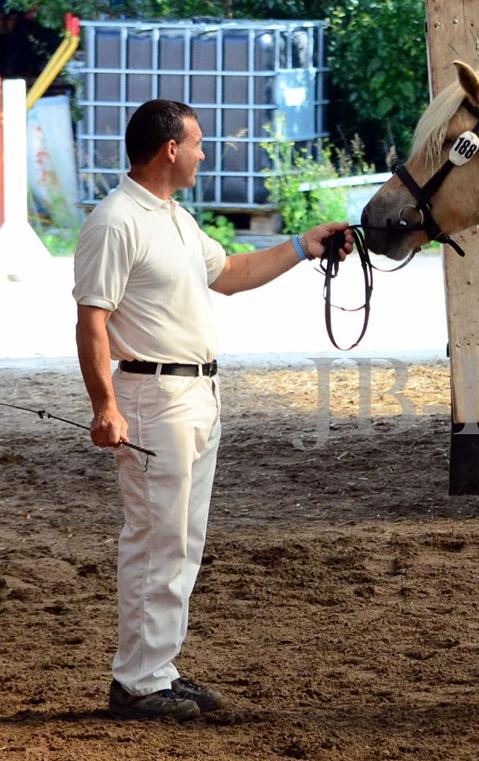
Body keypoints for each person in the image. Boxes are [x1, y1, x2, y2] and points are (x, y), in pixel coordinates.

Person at [73, 99, 353, 720]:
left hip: (196, 395)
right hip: (154, 398)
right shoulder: (116, 221)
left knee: (181, 538)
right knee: (158, 538)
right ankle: (140, 681)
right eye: (197, 144)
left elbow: (230, 272)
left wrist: (303, 247)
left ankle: (155, 668)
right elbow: (92, 320)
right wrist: (105, 407)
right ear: (170, 149)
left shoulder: (172, 218)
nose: (204, 153)